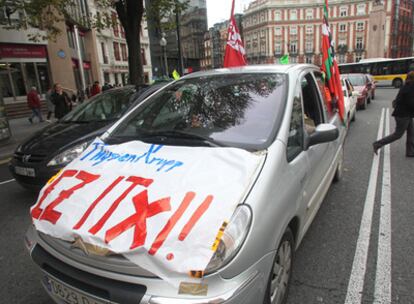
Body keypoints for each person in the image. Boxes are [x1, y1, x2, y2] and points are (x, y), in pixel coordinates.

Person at [373, 71, 414, 157]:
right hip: (403, 115)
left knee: (411, 132)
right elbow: (411, 103)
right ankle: (377, 144)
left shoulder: (406, 86)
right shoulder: (409, 88)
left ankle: (410, 152)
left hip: (406, 114)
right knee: (398, 134)